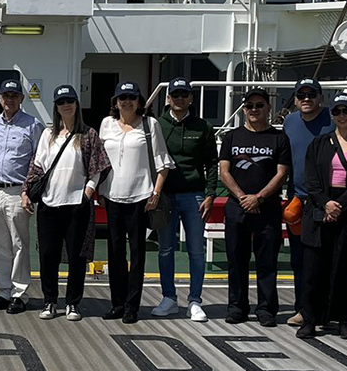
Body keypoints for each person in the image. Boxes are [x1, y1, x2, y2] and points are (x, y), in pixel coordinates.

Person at [22, 84, 109, 322]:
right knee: (47, 255)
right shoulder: (48, 135)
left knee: (76, 256)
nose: (66, 105)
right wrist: (26, 192)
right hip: (49, 205)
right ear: (56, 107)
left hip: (76, 204)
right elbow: (37, 167)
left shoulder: (88, 134)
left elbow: (98, 167)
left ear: (76, 104)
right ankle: (50, 301)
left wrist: (87, 193)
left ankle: (73, 303)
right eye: (61, 102)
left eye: (70, 101)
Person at [297, 92, 347, 340]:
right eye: (337, 111)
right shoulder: (319, 143)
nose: (341, 116)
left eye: (346, 111)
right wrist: (325, 204)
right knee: (313, 270)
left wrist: (338, 206)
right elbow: (310, 179)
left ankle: (344, 320)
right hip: (321, 212)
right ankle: (310, 319)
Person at [96, 81, 174, 324]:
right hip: (112, 197)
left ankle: (132, 306)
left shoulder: (150, 125)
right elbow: (99, 161)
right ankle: (117, 303)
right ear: (115, 102)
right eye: (122, 98)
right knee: (115, 252)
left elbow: (163, 164)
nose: (127, 102)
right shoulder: (107, 124)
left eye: (131, 97)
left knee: (137, 253)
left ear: (139, 101)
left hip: (141, 198)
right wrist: (98, 188)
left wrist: (156, 194)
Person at [218, 87, 293, 326]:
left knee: (267, 261)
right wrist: (243, 197)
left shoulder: (279, 138)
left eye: (259, 105)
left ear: (268, 108)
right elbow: (224, 171)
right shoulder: (231, 137)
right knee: (236, 259)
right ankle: (237, 307)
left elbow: (282, 173)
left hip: (267, 207)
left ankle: (266, 309)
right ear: (244, 109)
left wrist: (258, 197)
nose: (254, 110)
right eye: (249, 106)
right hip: (237, 207)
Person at [153, 78, 218, 322]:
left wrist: (211, 193)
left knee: (195, 250)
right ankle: (168, 298)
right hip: (165, 195)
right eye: (175, 94)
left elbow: (212, 163)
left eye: (184, 94)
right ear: (168, 98)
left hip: (194, 195)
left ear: (191, 98)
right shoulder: (158, 125)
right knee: (166, 249)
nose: (179, 98)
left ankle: (195, 301)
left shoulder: (202, 127)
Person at [0, 78, 44, 313]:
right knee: (0, 245)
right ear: (0, 99)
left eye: (14, 96)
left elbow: (38, 161)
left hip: (18, 192)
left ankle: (20, 293)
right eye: (5, 96)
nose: (9, 100)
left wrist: (28, 191)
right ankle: (4, 291)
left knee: (19, 244)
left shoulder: (32, 125)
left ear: (21, 99)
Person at [279, 77, 330, 327]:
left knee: (325, 258)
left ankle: (326, 310)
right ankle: (303, 308)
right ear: (296, 100)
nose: (306, 99)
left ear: (321, 98)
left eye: (312, 95)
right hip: (297, 199)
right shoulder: (289, 122)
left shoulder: (334, 119)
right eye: (301, 95)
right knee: (299, 258)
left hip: (326, 201)